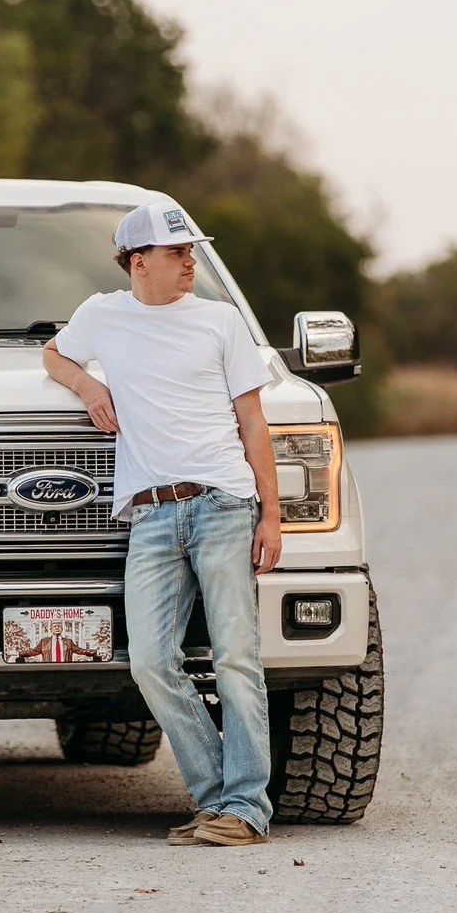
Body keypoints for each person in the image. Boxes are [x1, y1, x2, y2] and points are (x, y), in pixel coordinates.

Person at [42, 201, 281, 847]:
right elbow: (53, 355)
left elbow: (254, 423)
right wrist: (89, 389)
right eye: (179, 253)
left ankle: (245, 808)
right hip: (148, 514)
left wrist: (272, 515)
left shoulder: (220, 321)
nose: (190, 263)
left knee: (236, 658)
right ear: (138, 262)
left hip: (223, 504)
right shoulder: (102, 315)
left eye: (192, 252)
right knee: (149, 661)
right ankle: (216, 801)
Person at [16, 619, 104, 663]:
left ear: (62, 629)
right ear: (50, 629)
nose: (57, 628)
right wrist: (21, 653)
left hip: (65, 669)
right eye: (54, 626)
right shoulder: (44, 642)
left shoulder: (68, 642)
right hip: (48, 670)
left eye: (59, 626)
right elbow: (33, 652)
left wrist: (94, 652)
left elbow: (80, 650)